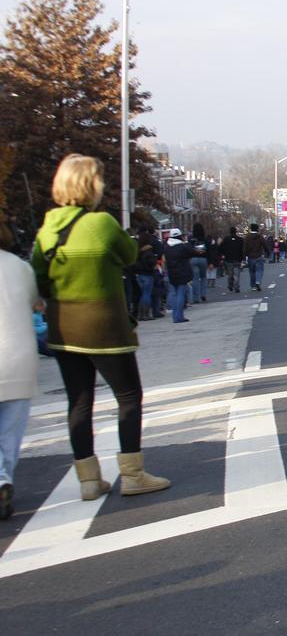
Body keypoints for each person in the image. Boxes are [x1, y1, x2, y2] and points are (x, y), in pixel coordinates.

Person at [31, 153, 170, 500]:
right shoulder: (102, 224)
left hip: (63, 326)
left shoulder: (47, 228)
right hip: (105, 325)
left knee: (78, 402)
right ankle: (133, 473)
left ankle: (88, 479)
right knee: (128, 397)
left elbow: (39, 278)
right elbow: (129, 254)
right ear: (90, 185)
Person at [0, 216, 40, 519]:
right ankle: (3, 478)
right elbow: (33, 302)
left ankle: (1, 479)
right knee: (10, 431)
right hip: (17, 357)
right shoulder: (19, 266)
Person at [164, 229, 195, 323]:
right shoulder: (182, 247)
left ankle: (175, 316)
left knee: (174, 294)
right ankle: (179, 316)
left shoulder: (167, 247)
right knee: (181, 294)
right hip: (182, 272)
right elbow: (191, 252)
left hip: (171, 273)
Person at [220, 227, 244, 292]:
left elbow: (221, 247)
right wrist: (242, 257)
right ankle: (236, 286)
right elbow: (242, 250)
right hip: (237, 259)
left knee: (230, 273)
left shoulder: (226, 239)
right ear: (236, 231)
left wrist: (224, 254)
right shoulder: (240, 239)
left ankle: (230, 285)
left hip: (229, 259)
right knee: (237, 273)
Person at [244, 223, 266, 291]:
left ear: (251, 229)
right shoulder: (260, 236)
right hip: (258, 256)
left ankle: (253, 286)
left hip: (250, 257)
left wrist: (244, 257)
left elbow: (244, 248)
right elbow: (264, 245)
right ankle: (258, 281)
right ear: (257, 229)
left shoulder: (247, 237)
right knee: (259, 270)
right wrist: (267, 253)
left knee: (252, 272)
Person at [189, 223, 208, 303]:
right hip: (203, 259)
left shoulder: (191, 239)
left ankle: (196, 298)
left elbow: (188, 249)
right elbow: (208, 250)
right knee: (203, 277)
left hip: (193, 259)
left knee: (195, 279)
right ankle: (203, 294)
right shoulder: (204, 239)